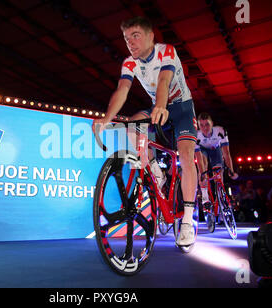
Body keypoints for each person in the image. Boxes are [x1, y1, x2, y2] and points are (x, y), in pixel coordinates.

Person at [92, 16, 198, 246]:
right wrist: (107, 118)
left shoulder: (166, 51)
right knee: (132, 125)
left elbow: (164, 80)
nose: (130, 42)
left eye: (135, 36)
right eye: (126, 38)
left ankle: (188, 221)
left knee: (187, 155)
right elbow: (123, 89)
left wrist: (161, 103)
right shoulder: (129, 62)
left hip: (181, 108)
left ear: (151, 36)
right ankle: (156, 175)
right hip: (156, 107)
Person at [194, 112, 238, 212]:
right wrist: (202, 174)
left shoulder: (220, 131)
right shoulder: (197, 136)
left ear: (212, 124)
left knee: (218, 172)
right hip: (203, 150)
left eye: (207, 124)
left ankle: (220, 197)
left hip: (215, 149)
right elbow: (199, 159)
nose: (205, 128)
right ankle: (205, 199)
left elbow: (226, 153)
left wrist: (231, 170)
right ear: (198, 126)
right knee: (203, 166)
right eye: (201, 125)